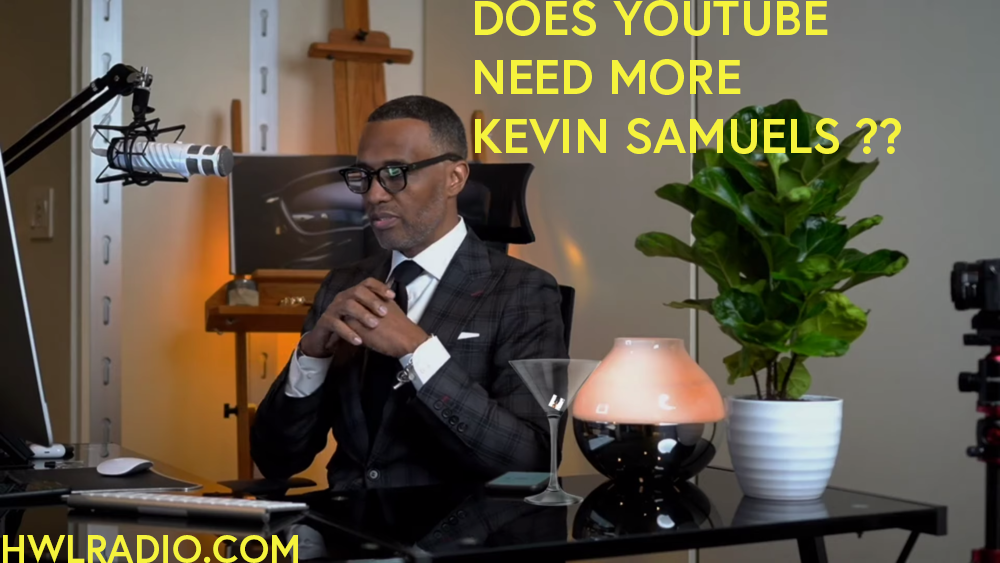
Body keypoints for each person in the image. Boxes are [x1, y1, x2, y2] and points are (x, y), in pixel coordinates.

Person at [250, 95, 569, 490]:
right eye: (364, 176)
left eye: (395, 173)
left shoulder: (524, 291)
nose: (373, 195)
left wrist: (417, 351)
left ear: (454, 178)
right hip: (347, 521)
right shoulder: (342, 285)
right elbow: (276, 460)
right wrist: (312, 355)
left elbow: (533, 461)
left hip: (460, 525)